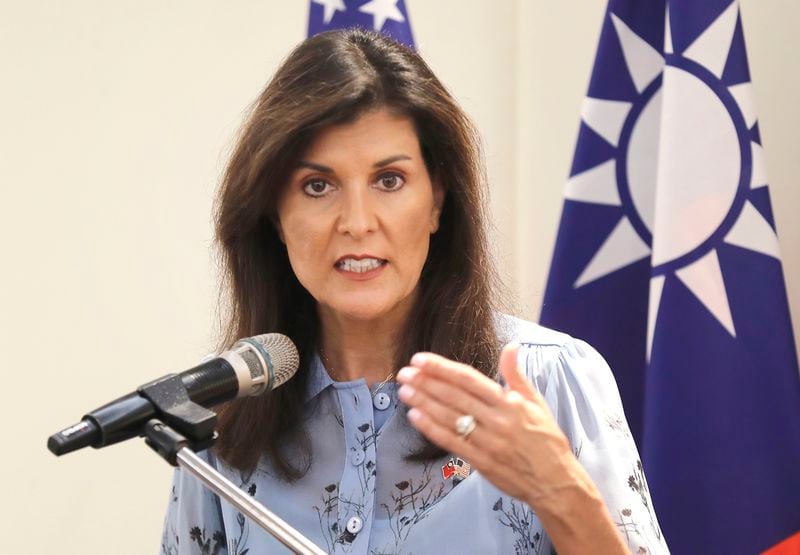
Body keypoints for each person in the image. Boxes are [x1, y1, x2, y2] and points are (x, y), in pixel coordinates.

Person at [160, 29, 669, 555]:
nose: (357, 222)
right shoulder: (222, 409)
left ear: (437, 202)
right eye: (318, 185)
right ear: (274, 214)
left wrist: (563, 494)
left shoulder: (548, 378)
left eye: (390, 180)